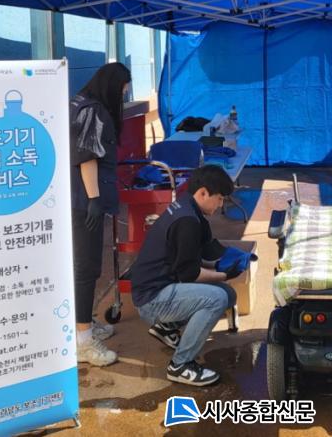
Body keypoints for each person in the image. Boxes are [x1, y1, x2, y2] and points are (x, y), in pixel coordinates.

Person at [130, 165, 247, 386]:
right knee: (217, 298)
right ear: (203, 192)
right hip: (151, 299)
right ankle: (181, 365)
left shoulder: (188, 206)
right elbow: (189, 273)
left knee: (229, 295)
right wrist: (223, 275)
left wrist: (231, 258)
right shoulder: (188, 221)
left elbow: (204, 250)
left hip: (160, 286)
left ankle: (166, 327)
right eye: (219, 199)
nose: (220, 205)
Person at [70, 62, 131, 366]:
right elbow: (87, 157)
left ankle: (83, 325)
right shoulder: (91, 110)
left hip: (83, 199)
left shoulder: (81, 104)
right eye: (123, 90)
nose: (124, 96)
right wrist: (93, 198)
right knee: (86, 268)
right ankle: (82, 342)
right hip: (84, 202)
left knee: (87, 266)